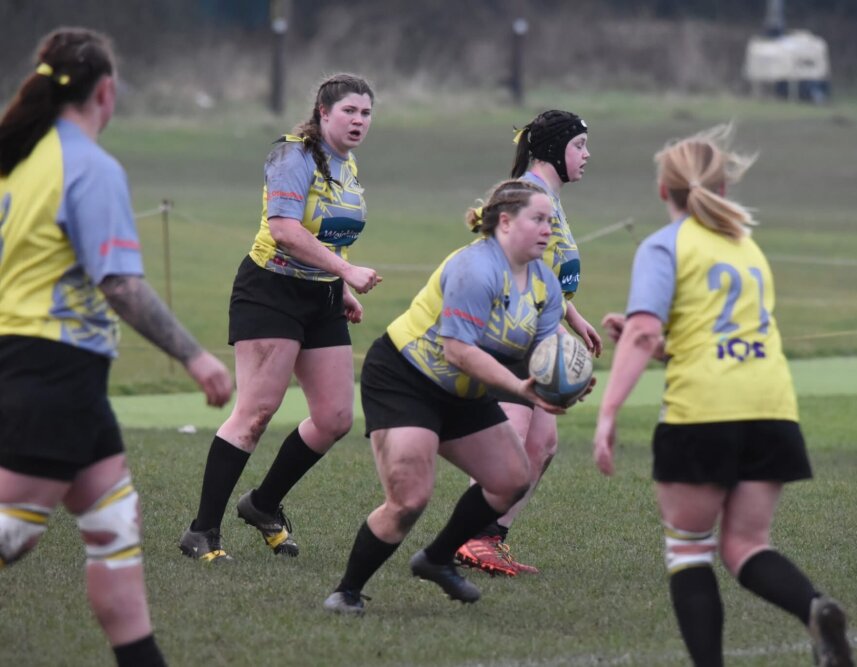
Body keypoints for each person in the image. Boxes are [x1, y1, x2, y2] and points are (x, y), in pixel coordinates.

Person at [0, 28, 233, 667]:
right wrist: (196, 357)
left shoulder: (18, 161)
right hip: (52, 370)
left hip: (46, 370)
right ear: (106, 91)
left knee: (113, 526)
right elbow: (121, 286)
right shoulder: (90, 167)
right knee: (13, 532)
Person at [592, 124, 853, 667]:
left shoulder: (665, 244)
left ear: (663, 190)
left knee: (689, 549)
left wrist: (609, 410)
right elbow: (711, 336)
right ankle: (813, 608)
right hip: (771, 407)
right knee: (746, 546)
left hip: (703, 411)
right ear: (723, 189)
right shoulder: (746, 247)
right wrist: (658, 345)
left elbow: (642, 332)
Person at [323, 179, 580, 614]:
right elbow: (458, 350)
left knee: (512, 479)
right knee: (409, 499)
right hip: (405, 379)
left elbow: (544, 348)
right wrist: (520, 388)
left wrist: (567, 381)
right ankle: (346, 591)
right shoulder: (474, 268)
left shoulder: (545, 284)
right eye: (538, 219)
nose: (547, 229)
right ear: (505, 222)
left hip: (463, 391)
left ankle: (437, 558)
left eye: (551, 222)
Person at [179, 73, 381, 561]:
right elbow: (286, 230)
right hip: (270, 291)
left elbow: (328, 234)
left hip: (321, 295)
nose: (358, 120)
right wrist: (346, 271)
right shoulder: (292, 156)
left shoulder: (347, 164)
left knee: (334, 418)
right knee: (255, 413)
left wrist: (337, 284)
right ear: (323, 113)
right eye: (349, 111)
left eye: (366, 113)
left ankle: (263, 504)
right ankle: (202, 532)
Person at [456, 110, 602, 577]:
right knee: (509, 444)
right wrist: (555, 333)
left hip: (538, 329)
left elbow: (544, 272)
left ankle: (488, 538)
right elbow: (505, 270)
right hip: (510, 333)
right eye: (579, 145)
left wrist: (573, 317)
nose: (586, 155)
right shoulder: (528, 196)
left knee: (541, 445)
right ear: (553, 150)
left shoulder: (548, 197)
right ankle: (466, 539)